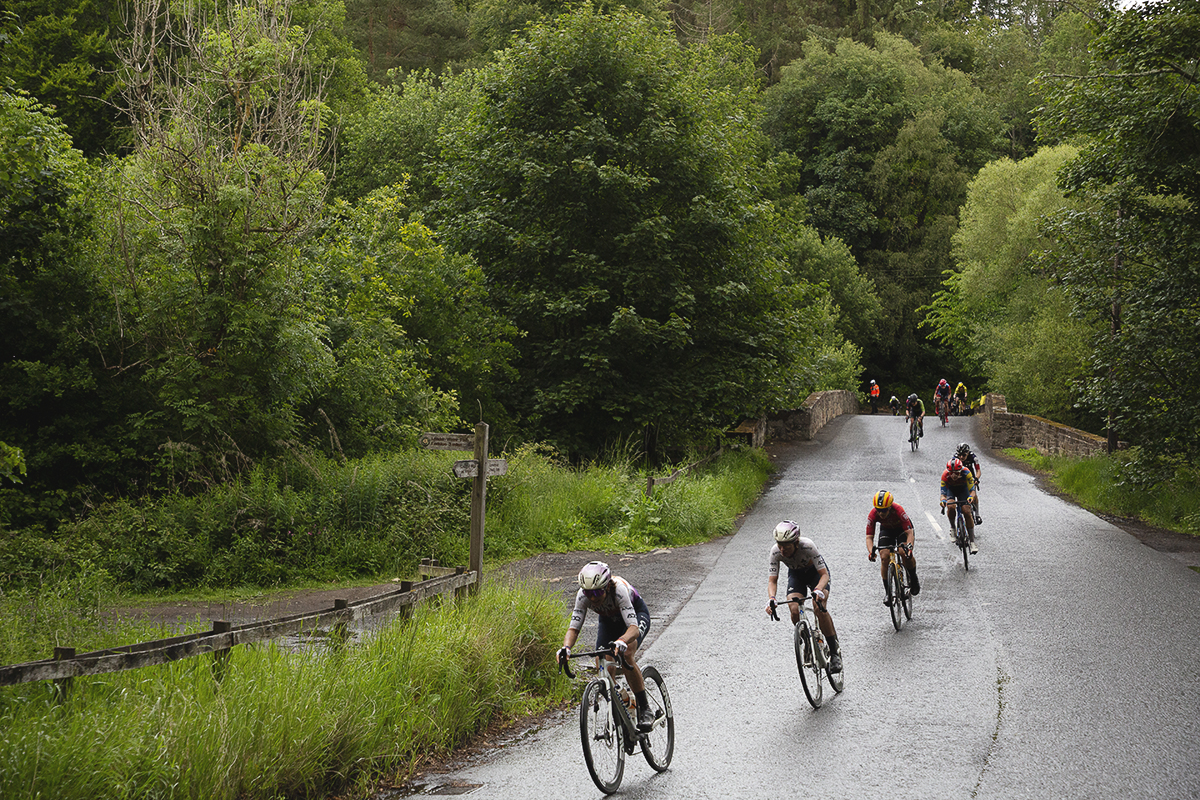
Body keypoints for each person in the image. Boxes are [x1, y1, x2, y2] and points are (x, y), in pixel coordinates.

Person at [558, 561, 655, 730]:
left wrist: (622, 641)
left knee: (626, 655)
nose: (593, 598)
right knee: (602, 661)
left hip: (635, 617)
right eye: (589, 593)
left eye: (597, 592)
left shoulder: (619, 591)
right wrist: (566, 648)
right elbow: (573, 629)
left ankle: (645, 708)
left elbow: (633, 629)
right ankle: (620, 700)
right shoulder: (582, 596)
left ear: (607, 586)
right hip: (609, 621)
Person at [764, 520, 842, 672]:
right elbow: (772, 580)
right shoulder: (775, 552)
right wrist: (771, 598)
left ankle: (834, 653)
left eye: (786, 546)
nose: (782, 549)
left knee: (819, 607)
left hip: (816, 575)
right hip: (796, 575)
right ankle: (808, 643)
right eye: (779, 544)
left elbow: (824, 574)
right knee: (793, 608)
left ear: (796, 542)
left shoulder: (808, 546)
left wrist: (819, 589)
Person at [865, 490, 921, 601]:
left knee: (903, 552)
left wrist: (909, 548)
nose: (881, 513)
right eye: (879, 510)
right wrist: (871, 551)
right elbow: (869, 537)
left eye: (884, 510)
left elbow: (909, 533)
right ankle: (888, 592)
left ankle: (913, 578)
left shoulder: (899, 510)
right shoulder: (873, 514)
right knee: (884, 556)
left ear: (890, 507)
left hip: (902, 529)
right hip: (887, 530)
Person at [941, 457, 979, 553]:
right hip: (951, 490)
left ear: (961, 470)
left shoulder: (967, 473)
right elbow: (943, 494)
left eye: (957, 473)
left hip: (963, 490)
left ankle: (972, 542)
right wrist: (943, 501)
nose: (953, 475)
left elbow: (972, 491)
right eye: (951, 472)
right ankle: (953, 528)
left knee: (966, 511)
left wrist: (971, 497)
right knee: (950, 506)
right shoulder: (945, 475)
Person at [955, 442, 983, 524]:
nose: (961, 457)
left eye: (963, 455)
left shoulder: (973, 458)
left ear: (968, 453)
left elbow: (978, 470)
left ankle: (977, 515)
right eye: (959, 455)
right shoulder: (955, 458)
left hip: (971, 478)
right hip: (960, 477)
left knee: (974, 495)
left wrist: (976, 478)